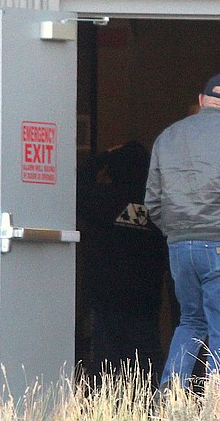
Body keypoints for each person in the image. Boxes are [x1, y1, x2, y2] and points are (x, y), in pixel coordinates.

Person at [145, 73, 220, 390]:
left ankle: (171, 396)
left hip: (180, 245)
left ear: (202, 101)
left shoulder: (168, 136)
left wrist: (174, 232)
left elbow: (153, 200)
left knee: (190, 322)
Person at [77, 140, 169, 386]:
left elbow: (70, 184)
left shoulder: (101, 198)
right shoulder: (161, 205)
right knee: (146, 366)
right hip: (145, 299)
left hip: (105, 297)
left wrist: (103, 155)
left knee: (104, 368)